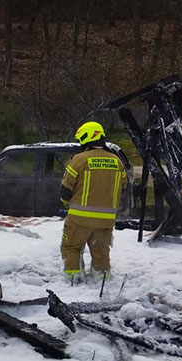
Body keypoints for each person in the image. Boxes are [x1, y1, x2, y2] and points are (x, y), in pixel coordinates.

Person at [59, 121, 127, 283]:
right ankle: (101, 279)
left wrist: (65, 203)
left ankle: (73, 279)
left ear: (86, 137)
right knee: (101, 251)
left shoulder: (79, 160)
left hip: (79, 219)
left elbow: (66, 190)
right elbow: (122, 188)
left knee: (71, 247)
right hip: (106, 220)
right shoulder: (117, 161)